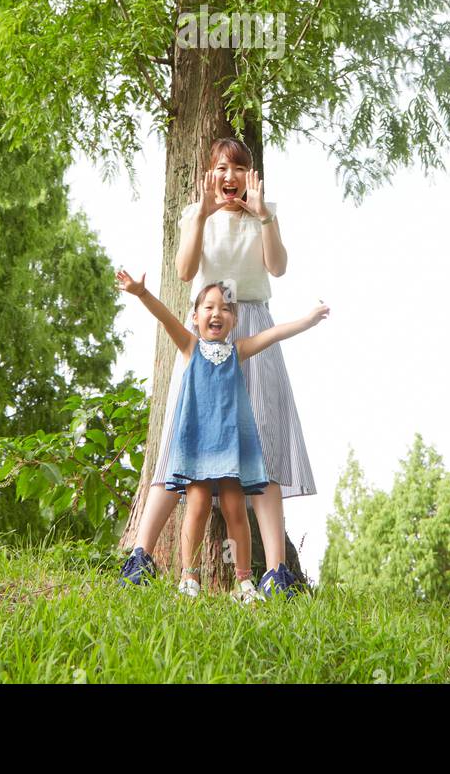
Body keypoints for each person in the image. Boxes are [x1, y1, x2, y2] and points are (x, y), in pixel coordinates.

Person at [119, 137, 318, 597]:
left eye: (239, 168)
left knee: (261, 443)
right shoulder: (197, 216)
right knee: (180, 436)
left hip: (251, 326)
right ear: (210, 174)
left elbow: (279, 267)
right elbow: (186, 270)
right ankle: (141, 556)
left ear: (250, 175)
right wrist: (204, 214)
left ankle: (274, 572)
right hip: (206, 333)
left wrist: (263, 214)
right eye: (222, 167)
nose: (230, 176)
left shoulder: (264, 214)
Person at [116, 268, 328, 601]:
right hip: (198, 449)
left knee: (235, 511)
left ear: (234, 320)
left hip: (231, 451)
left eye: (226, 309)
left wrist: (309, 320)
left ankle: (244, 582)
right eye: (209, 307)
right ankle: (189, 578)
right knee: (196, 508)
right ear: (195, 317)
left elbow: (275, 334)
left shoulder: (239, 351)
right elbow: (164, 317)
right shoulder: (189, 347)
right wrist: (141, 293)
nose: (217, 313)